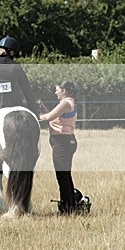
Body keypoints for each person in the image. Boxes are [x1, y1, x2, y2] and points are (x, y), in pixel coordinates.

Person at [38, 81, 86, 215]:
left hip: (62, 142)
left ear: (64, 91)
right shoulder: (70, 102)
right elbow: (53, 117)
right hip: (66, 141)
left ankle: (67, 208)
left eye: (57, 90)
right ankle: (70, 205)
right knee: (65, 175)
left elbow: (49, 117)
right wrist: (42, 108)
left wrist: (37, 116)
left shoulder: (65, 103)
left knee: (62, 176)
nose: (55, 92)